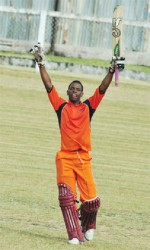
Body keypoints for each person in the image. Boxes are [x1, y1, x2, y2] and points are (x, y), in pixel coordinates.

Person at [30, 43, 125, 245]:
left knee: (91, 201)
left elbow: (103, 88)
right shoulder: (60, 106)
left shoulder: (88, 107)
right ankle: (74, 234)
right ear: (67, 92)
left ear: (82, 94)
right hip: (65, 158)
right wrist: (41, 63)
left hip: (83, 158)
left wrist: (111, 69)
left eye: (78, 90)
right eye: (72, 89)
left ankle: (88, 225)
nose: (75, 91)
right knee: (66, 199)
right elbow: (48, 86)